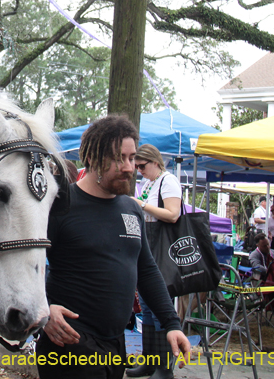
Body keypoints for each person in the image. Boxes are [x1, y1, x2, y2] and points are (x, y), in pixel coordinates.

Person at [39, 114, 191, 379]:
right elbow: (28, 262)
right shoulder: (61, 204)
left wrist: (171, 324)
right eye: (118, 158)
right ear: (93, 159)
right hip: (69, 342)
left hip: (115, 346)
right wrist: (44, 309)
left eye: (132, 158)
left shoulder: (132, 208)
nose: (129, 167)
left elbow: (147, 271)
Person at [126, 144, 182, 379]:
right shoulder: (149, 182)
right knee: (147, 308)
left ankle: (164, 367)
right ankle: (150, 361)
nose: (138, 170)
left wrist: (142, 205)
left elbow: (173, 214)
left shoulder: (168, 181)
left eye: (141, 165)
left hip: (163, 248)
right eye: (136, 166)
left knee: (160, 306)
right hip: (150, 243)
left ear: (155, 162)